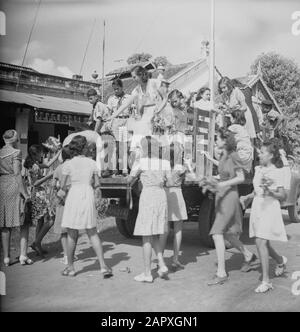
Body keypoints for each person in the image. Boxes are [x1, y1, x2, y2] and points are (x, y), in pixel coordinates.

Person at [202, 128, 256, 286]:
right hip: (222, 196)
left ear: (225, 140)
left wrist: (222, 183)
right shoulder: (224, 155)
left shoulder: (233, 155)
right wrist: (211, 175)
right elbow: (224, 172)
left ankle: (221, 273)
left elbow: (240, 177)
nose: (216, 141)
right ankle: (248, 255)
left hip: (230, 198)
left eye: (217, 138)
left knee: (217, 233)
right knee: (229, 234)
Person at [58, 135, 112, 278]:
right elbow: (97, 183)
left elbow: (62, 185)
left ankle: (70, 268)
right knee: (92, 232)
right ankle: (103, 266)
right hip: (87, 194)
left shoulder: (68, 164)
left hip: (74, 194)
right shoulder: (92, 163)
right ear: (84, 147)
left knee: (72, 233)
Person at [241, 141, 288, 293]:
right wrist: (247, 197)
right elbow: (257, 191)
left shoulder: (277, 171)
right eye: (259, 152)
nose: (259, 155)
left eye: (262, 153)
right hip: (257, 207)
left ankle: (266, 281)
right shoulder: (258, 169)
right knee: (262, 242)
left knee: (260, 241)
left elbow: (282, 195)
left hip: (269, 208)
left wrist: (271, 193)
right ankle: (280, 261)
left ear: (271, 155)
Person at [128, 136, 170, 283]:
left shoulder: (141, 162)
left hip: (148, 196)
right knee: (155, 233)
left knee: (147, 235)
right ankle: (162, 263)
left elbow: (129, 179)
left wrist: (136, 177)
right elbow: (169, 181)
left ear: (144, 148)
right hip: (161, 195)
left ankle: (147, 273)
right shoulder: (165, 162)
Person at [107, 66, 163, 152]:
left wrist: (159, 111)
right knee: (139, 143)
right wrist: (113, 115)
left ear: (141, 75)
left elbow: (165, 98)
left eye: (134, 77)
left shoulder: (154, 83)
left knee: (155, 143)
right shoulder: (136, 90)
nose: (133, 79)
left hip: (157, 115)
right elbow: (126, 104)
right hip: (145, 117)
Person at [0, 130, 33, 266]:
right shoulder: (16, 153)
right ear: (14, 140)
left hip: (2, 185)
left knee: (5, 223)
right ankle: (23, 255)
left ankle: (6, 258)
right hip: (14, 186)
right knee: (23, 220)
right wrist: (25, 194)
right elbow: (17, 174)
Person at [24, 144, 60, 257]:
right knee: (51, 219)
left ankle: (37, 245)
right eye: (41, 152)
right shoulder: (34, 166)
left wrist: (59, 152)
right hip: (39, 194)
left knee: (40, 220)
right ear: (36, 154)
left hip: (38, 194)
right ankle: (37, 242)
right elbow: (35, 183)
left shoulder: (35, 164)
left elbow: (48, 164)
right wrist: (50, 176)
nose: (43, 154)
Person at [160, 142, 188, 270]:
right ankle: (175, 259)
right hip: (176, 194)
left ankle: (160, 259)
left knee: (164, 230)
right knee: (178, 229)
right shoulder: (181, 167)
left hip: (165, 193)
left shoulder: (163, 166)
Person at [50, 145, 72, 265]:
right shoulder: (75, 167)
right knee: (72, 229)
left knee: (63, 230)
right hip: (73, 199)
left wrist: (58, 189)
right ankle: (71, 254)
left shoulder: (59, 168)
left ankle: (66, 255)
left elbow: (53, 185)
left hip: (62, 200)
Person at [107, 78, 132, 173]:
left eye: (117, 89)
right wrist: (109, 123)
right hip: (116, 122)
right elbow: (109, 113)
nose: (116, 91)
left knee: (124, 146)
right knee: (115, 147)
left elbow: (133, 111)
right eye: (114, 89)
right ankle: (114, 169)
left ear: (122, 87)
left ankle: (124, 168)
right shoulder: (111, 99)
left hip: (125, 121)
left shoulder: (129, 98)